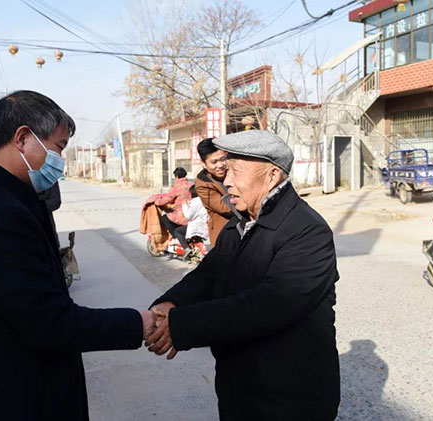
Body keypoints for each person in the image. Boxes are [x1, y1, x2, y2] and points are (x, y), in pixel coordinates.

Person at [0, 90, 157, 420]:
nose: (60, 161)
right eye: (59, 147)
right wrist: (138, 323)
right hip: (7, 398)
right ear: (23, 138)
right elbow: (48, 322)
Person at [146, 130, 340, 420]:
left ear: (272, 176)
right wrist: (171, 302)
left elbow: (268, 305)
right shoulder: (239, 225)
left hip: (289, 396)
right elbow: (208, 274)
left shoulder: (308, 231)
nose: (227, 181)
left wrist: (182, 325)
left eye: (236, 171)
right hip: (240, 385)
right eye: (226, 171)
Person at [194, 138, 237, 246]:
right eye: (214, 162)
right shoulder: (203, 184)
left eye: (223, 159)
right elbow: (225, 209)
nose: (220, 165)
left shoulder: (234, 170)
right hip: (224, 231)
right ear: (204, 164)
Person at [146, 167, 193, 250]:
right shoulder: (191, 185)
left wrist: (157, 202)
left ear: (177, 176)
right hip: (192, 213)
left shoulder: (177, 186)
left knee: (164, 218)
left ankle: (176, 237)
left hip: (182, 214)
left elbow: (168, 198)